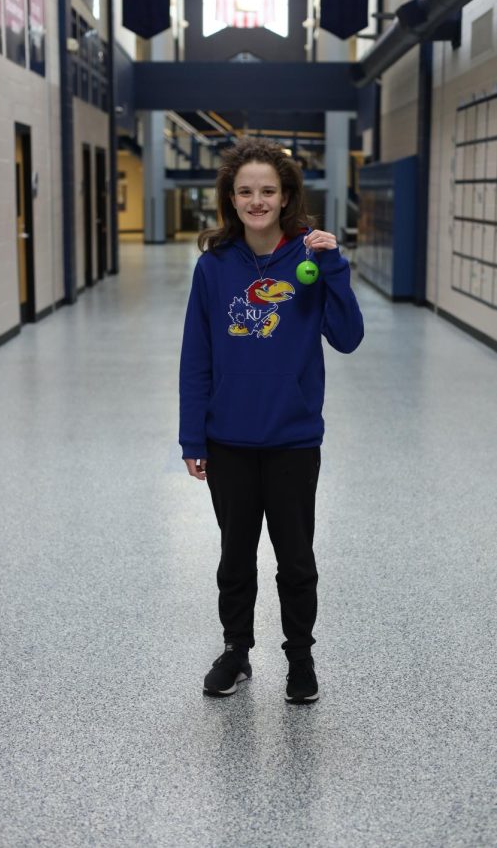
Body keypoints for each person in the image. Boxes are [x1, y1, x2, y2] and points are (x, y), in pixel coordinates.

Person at [179, 137, 364, 704]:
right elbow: (197, 357)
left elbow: (349, 337)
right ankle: (236, 652)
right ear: (230, 199)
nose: (256, 200)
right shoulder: (213, 267)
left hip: (292, 438)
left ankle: (300, 660)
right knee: (234, 557)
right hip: (228, 438)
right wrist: (192, 435)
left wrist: (332, 265)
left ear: (285, 197)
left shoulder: (313, 258)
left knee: (295, 558)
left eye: (267, 190)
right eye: (245, 191)